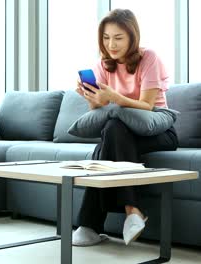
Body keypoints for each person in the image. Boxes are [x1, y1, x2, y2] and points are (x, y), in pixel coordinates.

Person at [73, 9, 178, 247]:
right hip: (122, 133)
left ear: (132, 36)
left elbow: (147, 105)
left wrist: (115, 97)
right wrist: (94, 100)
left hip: (158, 131)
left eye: (118, 38)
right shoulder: (103, 65)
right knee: (112, 129)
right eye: (106, 37)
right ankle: (132, 211)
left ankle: (89, 224)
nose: (111, 44)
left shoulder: (149, 57)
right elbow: (101, 111)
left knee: (107, 140)